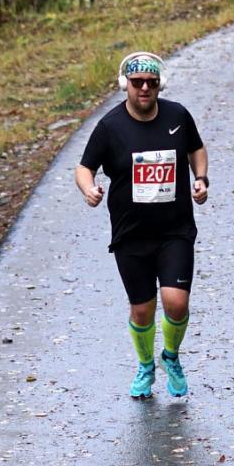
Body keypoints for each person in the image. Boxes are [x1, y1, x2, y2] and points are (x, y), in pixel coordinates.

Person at [76, 51, 209, 399]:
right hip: (130, 233)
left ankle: (172, 357)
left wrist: (201, 178)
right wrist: (89, 188)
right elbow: (83, 167)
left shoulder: (178, 115)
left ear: (160, 84)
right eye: (137, 83)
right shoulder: (110, 127)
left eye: (151, 83)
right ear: (126, 86)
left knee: (176, 302)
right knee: (142, 309)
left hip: (174, 229)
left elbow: (196, 149)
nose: (145, 89)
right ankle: (147, 364)